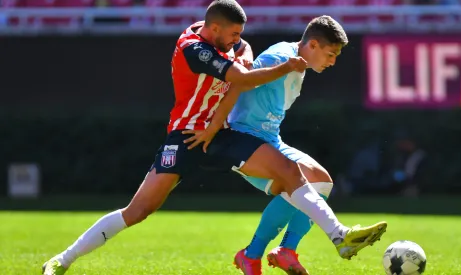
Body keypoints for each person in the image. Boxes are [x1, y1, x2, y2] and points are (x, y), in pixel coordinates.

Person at [42, 1, 307, 274]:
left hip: (219, 133)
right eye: (234, 34)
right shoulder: (194, 48)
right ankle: (62, 260)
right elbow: (243, 78)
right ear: (215, 28)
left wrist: (244, 50)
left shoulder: (219, 37)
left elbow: (244, 49)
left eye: (239, 34)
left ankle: (285, 247)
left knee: (287, 173)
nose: (237, 40)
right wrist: (286, 67)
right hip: (187, 136)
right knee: (137, 211)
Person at [183, 15, 388, 275]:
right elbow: (238, 83)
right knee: (292, 179)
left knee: (321, 181)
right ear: (312, 45)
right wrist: (213, 128)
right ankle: (339, 236)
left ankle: (282, 252)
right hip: (241, 139)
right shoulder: (279, 58)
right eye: (331, 54)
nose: (333, 62)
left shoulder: (296, 63)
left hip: (269, 140)